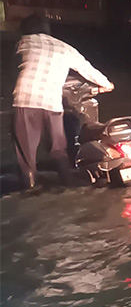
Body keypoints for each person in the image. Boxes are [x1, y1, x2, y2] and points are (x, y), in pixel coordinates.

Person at [10, 14, 114, 190]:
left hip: (25, 100)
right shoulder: (65, 48)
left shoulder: (23, 42)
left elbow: (15, 67)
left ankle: (29, 186)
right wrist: (107, 84)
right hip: (52, 103)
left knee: (26, 155)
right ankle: (68, 183)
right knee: (59, 149)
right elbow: (87, 68)